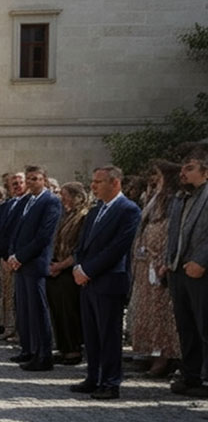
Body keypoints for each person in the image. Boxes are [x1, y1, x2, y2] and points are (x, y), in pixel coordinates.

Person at [71, 166, 142, 400]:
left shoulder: (128, 210)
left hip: (109, 281)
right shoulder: (95, 210)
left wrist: (88, 270)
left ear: (115, 183)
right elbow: (82, 244)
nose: (93, 186)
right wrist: (78, 267)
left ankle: (111, 382)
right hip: (88, 281)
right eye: (93, 181)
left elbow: (117, 248)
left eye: (99, 182)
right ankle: (93, 376)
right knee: (91, 333)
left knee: (109, 335)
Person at [129, 160, 182, 377]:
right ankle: (151, 352)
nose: (155, 182)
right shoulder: (154, 199)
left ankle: (165, 357)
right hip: (145, 264)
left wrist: (162, 260)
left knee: (162, 315)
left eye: (159, 178)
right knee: (147, 312)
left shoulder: (171, 200)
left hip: (160, 264)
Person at [162, 143, 208, 398]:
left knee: (205, 328)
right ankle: (191, 376)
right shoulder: (180, 199)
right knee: (186, 327)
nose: (183, 173)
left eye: (190, 168)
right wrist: (168, 261)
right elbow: (174, 235)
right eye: (182, 168)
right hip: (178, 271)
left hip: (200, 272)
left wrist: (201, 261)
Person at [8, 166, 63, 371]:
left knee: (38, 311)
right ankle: (28, 349)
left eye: (35, 178)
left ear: (44, 180)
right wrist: (13, 254)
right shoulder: (25, 201)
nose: (30, 182)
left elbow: (44, 236)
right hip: (21, 263)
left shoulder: (51, 202)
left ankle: (43, 354)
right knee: (24, 310)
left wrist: (21, 256)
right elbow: (16, 230)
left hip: (35, 263)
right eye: (28, 179)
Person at [47, 182, 91, 365]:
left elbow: (79, 248)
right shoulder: (66, 215)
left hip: (69, 270)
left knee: (69, 311)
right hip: (56, 266)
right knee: (58, 310)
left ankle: (73, 348)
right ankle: (63, 347)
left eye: (64, 194)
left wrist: (61, 266)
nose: (62, 198)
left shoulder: (83, 216)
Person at [0, 172, 27, 339]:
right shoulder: (9, 205)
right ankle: (8, 328)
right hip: (4, 257)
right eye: (13, 183)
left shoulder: (26, 204)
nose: (16, 185)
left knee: (17, 298)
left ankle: (19, 332)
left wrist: (11, 255)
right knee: (6, 295)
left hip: (18, 258)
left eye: (20, 182)